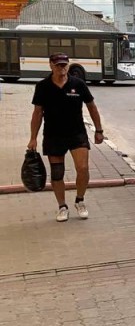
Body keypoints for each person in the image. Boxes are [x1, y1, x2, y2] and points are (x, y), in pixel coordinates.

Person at [26, 53, 105, 222]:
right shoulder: (43, 86)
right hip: (53, 135)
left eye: (64, 65)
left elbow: (92, 107)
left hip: (77, 134)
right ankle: (62, 206)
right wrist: (33, 138)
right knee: (57, 173)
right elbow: (37, 113)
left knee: (83, 168)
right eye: (58, 65)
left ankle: (80, 200)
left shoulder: (78, 84)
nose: (62, 68)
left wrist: (99, 130)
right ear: (51, 66)